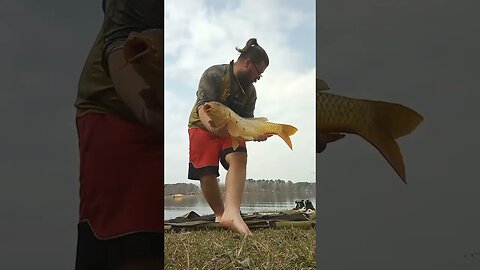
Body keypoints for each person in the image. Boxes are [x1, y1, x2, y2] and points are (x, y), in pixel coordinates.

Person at [74, 1, 163, 269]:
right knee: (130, 238)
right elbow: (119, 43)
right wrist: (150, 112)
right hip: (115, 110)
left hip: (162, 99)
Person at [187, 38, 271, 235]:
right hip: (202, 125)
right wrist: (213, 128)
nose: (259, 77)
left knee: (239, 157)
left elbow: (247, 122)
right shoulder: (214, 74)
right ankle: (220, 214)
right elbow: (203, 106)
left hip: (231, 128)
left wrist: (255, 134)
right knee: (206, 173)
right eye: (258, 72)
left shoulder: (251, 92)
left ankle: (232, 213)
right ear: (247, 62)